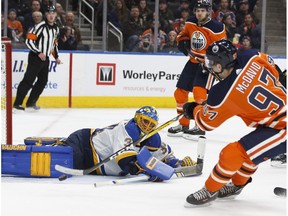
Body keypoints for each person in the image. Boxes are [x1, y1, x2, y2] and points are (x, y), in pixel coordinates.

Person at [182, 39, 286, 206]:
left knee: (232, 153)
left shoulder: (221, 93)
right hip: (275, 122)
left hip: (282, 129)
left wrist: (193, 109)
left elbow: (206, 124)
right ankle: (237, 185)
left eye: (211, 62)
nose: (209, 66)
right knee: (251, 153)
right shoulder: (252, 56)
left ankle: (210, 190)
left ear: (219, 66)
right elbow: (274, 69)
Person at [63, 106, 195, 179]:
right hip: (84, 144)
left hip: (95, 165)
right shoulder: (127, 129)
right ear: (137, 118)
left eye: (151, 124)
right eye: (145, 121)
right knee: (65, 161)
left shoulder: (152, 138)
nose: (147, 127)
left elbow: (165, 157)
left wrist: (180, 163)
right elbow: (127, 163)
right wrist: (147, 171)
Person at [167, 0, 226, 140]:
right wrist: (182, 41)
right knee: (180, 93)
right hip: (193, 62)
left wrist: (212, 62)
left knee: (199, 94)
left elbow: (222, 48)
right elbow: (184, 34)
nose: (199, 13)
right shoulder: (191, 22)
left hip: (208, 64)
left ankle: (200, 127)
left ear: (208, 12)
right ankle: (183, 124)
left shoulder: (216, 27)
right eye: (198, 11)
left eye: (203, 11)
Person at [13, 5, 61, 111]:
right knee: (28, 80)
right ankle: (17, 103)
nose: (51, 16)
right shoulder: (40, 26)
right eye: (49, 13)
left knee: (42, 82)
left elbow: (54, 44)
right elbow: (29, 40)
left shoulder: (56, 28)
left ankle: (31, 103)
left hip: (46, 58)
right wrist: (38, 52)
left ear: (56, 15)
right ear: (46, 15)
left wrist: (56, 57)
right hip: (35, 57)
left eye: (53, 13)